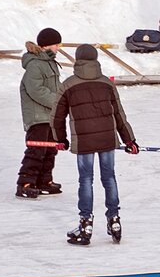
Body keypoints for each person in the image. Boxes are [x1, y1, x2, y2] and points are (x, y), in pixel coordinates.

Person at [51, 44, 139, 245]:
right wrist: (129, 140)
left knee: (86, 180)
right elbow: (119, 114)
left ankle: (86, 224)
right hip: (107, 139)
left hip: (84, 141)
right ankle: (114, 220)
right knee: (109, 178)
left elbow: (56, 116)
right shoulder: (107, 83)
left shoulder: (68, 85)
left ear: (77, 59)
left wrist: (60, 140)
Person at [16, 27, 63, 199]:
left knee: (50, 150)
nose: (58, 48)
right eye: (56, 44)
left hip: (49, 115)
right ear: (47, 45)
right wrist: (58, 102)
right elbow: (36, 90)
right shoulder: (36, 64)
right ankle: (25, 184)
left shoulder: (49, 63)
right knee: (36, 150)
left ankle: (44, 181)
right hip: (37, 116)